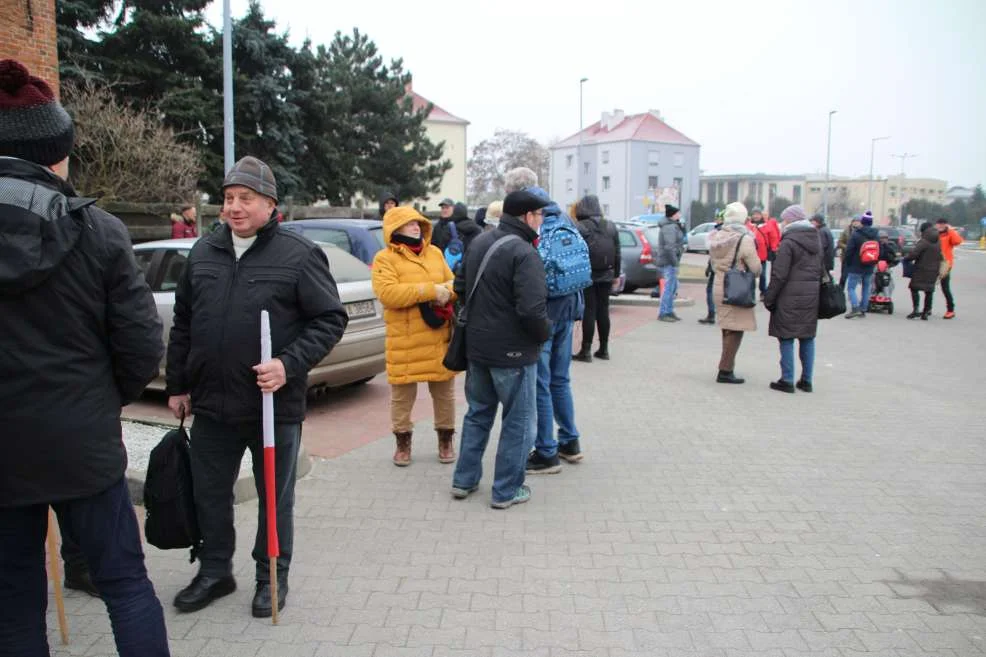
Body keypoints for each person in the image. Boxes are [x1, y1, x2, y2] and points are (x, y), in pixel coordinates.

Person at [0, 58, 170, 656]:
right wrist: (98, 402)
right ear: (55, 151)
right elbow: (141, 345)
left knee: (14, 600)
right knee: (125, 582)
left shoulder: (95, 229)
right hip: (81, 440)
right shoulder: (99, 231)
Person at [166, 155, 349, 618]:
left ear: (270, 205)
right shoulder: (204, 253)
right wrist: (178, 383)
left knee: (274, 496)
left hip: (273, 406)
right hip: (211, 404)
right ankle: (214, 571)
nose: (234, 207)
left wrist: (289, 365)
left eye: (245, 199)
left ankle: (271, 574)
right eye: (228, 199)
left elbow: (330, 319)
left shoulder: (298, 254)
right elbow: (184, 323)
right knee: (210, 493)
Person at [451, 189, 552, 509]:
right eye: (540, 214)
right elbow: (532, 311)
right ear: (528, 216)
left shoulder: (481, 241)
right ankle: (506, 490)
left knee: (478, 414)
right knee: (519, 422)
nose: (543, 220)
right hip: (514, 353)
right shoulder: (525, 253)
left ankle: (463, 480)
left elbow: (459, 287)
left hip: (478, 347)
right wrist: (543, 336)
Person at [371, 206, 458, 466]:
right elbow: (389, 294)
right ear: (394, 229)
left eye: (418, 223)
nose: (416, 227)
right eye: (410, 224)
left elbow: (454, 284)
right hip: (404, 340)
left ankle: (445, 440)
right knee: (401, 398)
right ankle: (403, 444)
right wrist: (431, 291)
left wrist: (446, 291)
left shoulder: (435, 253)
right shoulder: (385, 258)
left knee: (445, 395)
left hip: (437, 336)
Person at [526, 187, 585, 474]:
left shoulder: (538, 227)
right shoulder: (566, 222)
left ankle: (546, 452)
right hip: (570, 308)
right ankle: (570, 442)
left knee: (541, 384)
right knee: (560, 380)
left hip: (546, 312)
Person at [763, 205, 823, 394]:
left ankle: (787, 379)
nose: (783, 223)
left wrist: (769, 297)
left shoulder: (788, 242)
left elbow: (779, 274)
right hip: (811, 296)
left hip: (788, 296)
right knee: (807, 337)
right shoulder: (816, 239)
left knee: (787, 337)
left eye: (785, 219)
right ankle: (806, 380)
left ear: (791, 221)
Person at [708, 203, 761, 384]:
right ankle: (725, 370)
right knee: (735, 330)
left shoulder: (717, 236)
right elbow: (755, 268)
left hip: (719, 284)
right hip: (736, 286)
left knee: (727, 327)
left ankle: (726, 367)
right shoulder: (744, 239)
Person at [573, 194, 620, 361]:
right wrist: (615, 275)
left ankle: (585, 351)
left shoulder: (581, 226)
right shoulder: (611, 226)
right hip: (607, 273)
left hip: (588, 274)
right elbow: (617, 252)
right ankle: (604, 349)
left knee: (589, 311)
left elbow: (576, 252)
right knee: (603, 310)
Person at [843, 211, 880, 318]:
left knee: (851, 288)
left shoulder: (856, 234)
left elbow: (849, 251)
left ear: (862, 222)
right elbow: (880, 251)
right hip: (870, 265)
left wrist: (848, 263)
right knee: (866, 287)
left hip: (856, 266)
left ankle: (855, 308)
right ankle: (863, 309)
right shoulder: (876, 235)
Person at [902, 222, 943, 320]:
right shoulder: (938, 241)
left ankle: (916, 309)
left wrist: (906, 258)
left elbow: (914, 254)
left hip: (921, 269)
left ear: (923, 230)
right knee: (929, 291)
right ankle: (925, 312)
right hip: (934, 270)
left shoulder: (924, 241)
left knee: (914, 288)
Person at [656, 203, 685, 321]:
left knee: (673, 287)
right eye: (678, 213)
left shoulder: (673, 225)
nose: (680, 214)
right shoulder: (669, 227)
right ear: (673, 215)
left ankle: (669, 310)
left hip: (670, 260)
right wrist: (674, 261)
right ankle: (664, 313)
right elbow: (669, 246)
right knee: (669, 287)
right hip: (669, 261)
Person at [698, 210, 725, 324]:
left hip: (717, 266)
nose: (716, 220)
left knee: (711, 290)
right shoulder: (733, 231)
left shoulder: (717, 232)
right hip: (725, 266)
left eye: (718, 218)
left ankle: (711, 314)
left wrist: (710, 266)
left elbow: (712, 249)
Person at [935, 218, 963, 319]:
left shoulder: (949, 234)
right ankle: (927, 308)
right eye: (939, 224)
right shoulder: (934, 234)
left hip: (945, 264)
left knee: (945, 287)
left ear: (946, 225)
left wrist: (951, 231)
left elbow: (958, 241)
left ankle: (950, 310)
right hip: (933, 263)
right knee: (928, 286)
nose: (941, 226)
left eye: (943, 224)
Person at [837, 217, 861, 290]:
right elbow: (839, 242)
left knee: (855, 277)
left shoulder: (861, 231)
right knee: (844, 276)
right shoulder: (846, 231)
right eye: (855, 221)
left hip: (857, 258)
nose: (856, 223)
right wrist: (848, 247)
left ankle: (852, 292)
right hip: (847, 257)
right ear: (852, 222)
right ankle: (840, 291)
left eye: (858, 221)